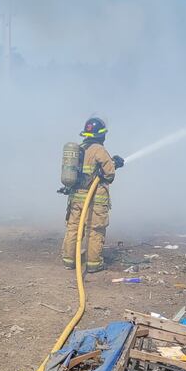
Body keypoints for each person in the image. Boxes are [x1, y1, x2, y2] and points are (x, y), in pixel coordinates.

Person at [61, 116, 124, 273]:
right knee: (95, 231)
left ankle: (69, 260)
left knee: (73, 228)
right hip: (95, 200)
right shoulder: (99, 150)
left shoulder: (80, 149)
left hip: (76, 199)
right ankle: (93, 263)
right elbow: (109, 175)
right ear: (101, 135)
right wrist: (114, 164)